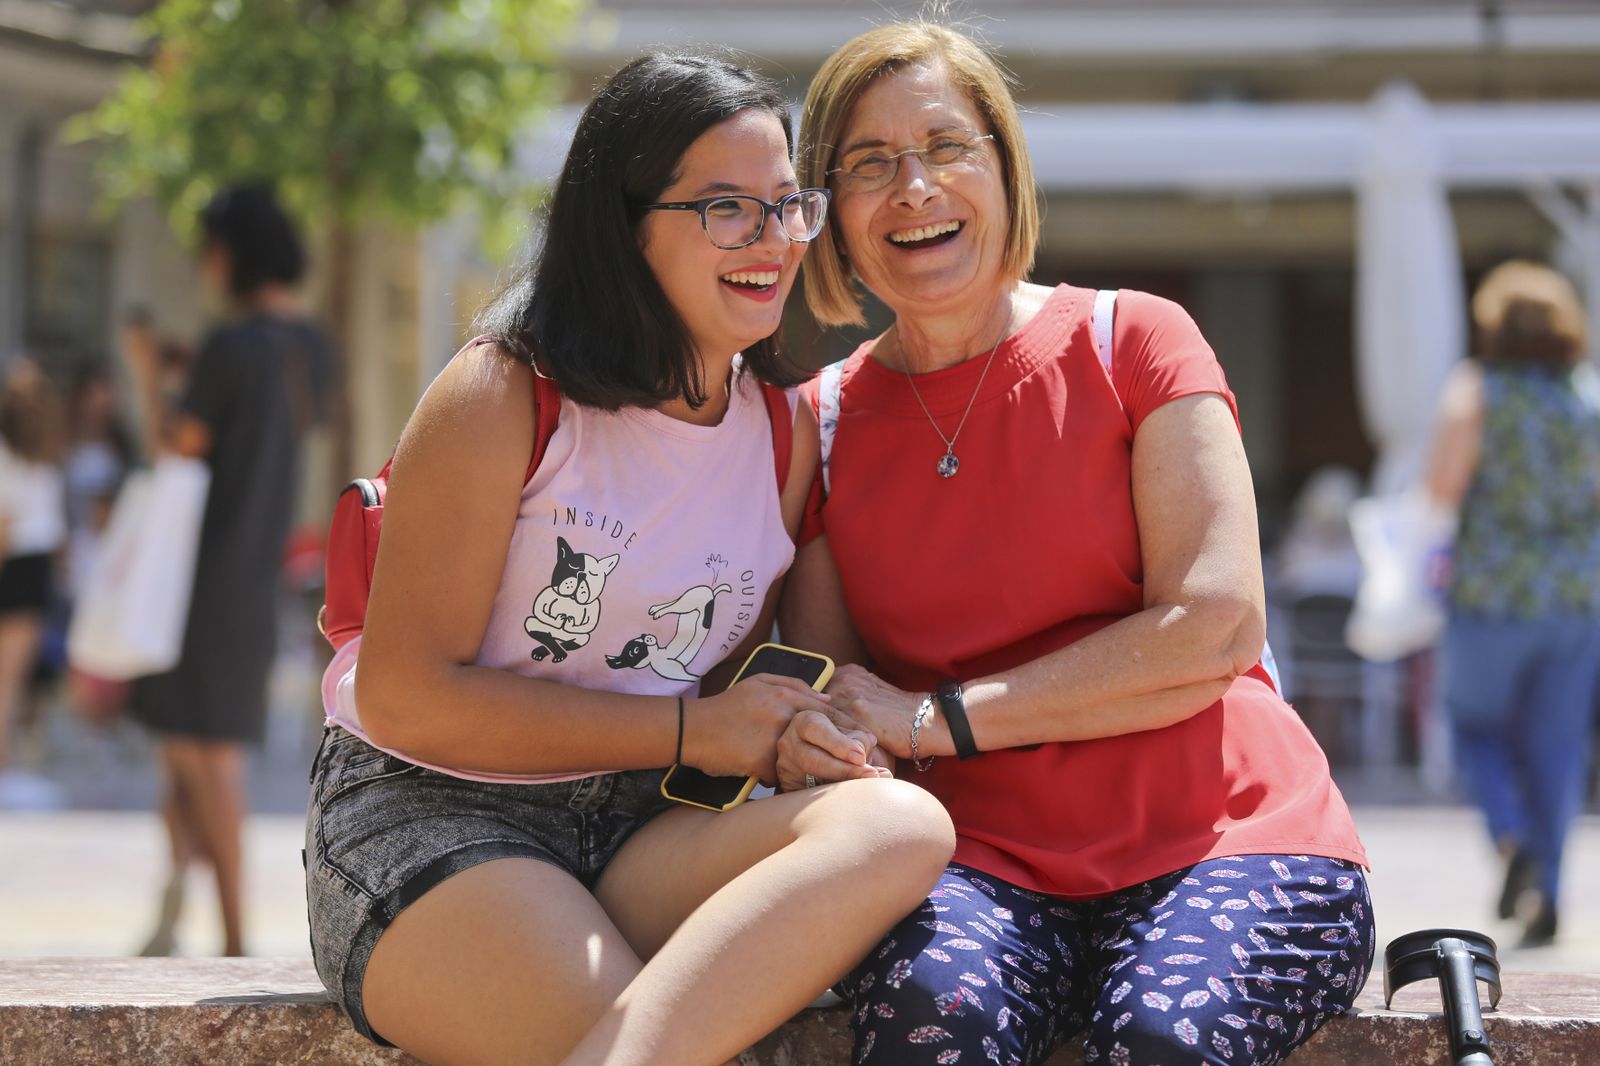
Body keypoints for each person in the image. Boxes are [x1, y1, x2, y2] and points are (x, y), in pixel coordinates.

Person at [304, 53, 954, 1065]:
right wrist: (694, 729)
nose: (773, 240)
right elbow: (404, 696)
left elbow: (729, 675)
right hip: (434, 811)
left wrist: (797, 732)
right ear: (625, 224)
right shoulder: (502, 394)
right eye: (727, 208)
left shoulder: (781, 432)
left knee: (900, 827)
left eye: (788, 205)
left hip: (647, 827)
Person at [776, 22, 1374, 1065]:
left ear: (1006, 169)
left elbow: (1215, 626)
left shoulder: (1133, 337)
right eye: (869, 163)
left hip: (1228, 838)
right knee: (932, 1034)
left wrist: (937, 720)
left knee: (1161, 1039)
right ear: (829, 212)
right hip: (971, 866)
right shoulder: (818, 421)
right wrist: (823, 736)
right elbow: (840, 697)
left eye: (946, 146)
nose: (913, 186)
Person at [120, 185, 334, 956]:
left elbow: (175, 447)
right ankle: (176, 905)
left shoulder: (231, 345)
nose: (205, 264)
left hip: (199, 576)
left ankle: (233, 937)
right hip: (257, 572)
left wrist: (148, 373)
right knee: (186, 746)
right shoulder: (310, 346)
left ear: (232, 252)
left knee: (202, 755)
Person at [1424, 260, 1600, 947]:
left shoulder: (1477, 391)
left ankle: (1511, 837)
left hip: (1491, 592)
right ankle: (1547, 891)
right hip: (1576, 597)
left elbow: (1441, 487)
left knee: (1473, 726)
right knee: (1558, 747)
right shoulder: (1587, 397)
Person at [0, 358, 67, 809]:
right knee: (8, 681)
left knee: (15, 680)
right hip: (22, 568)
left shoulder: (39, 456)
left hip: (28, 568)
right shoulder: (19, 455)